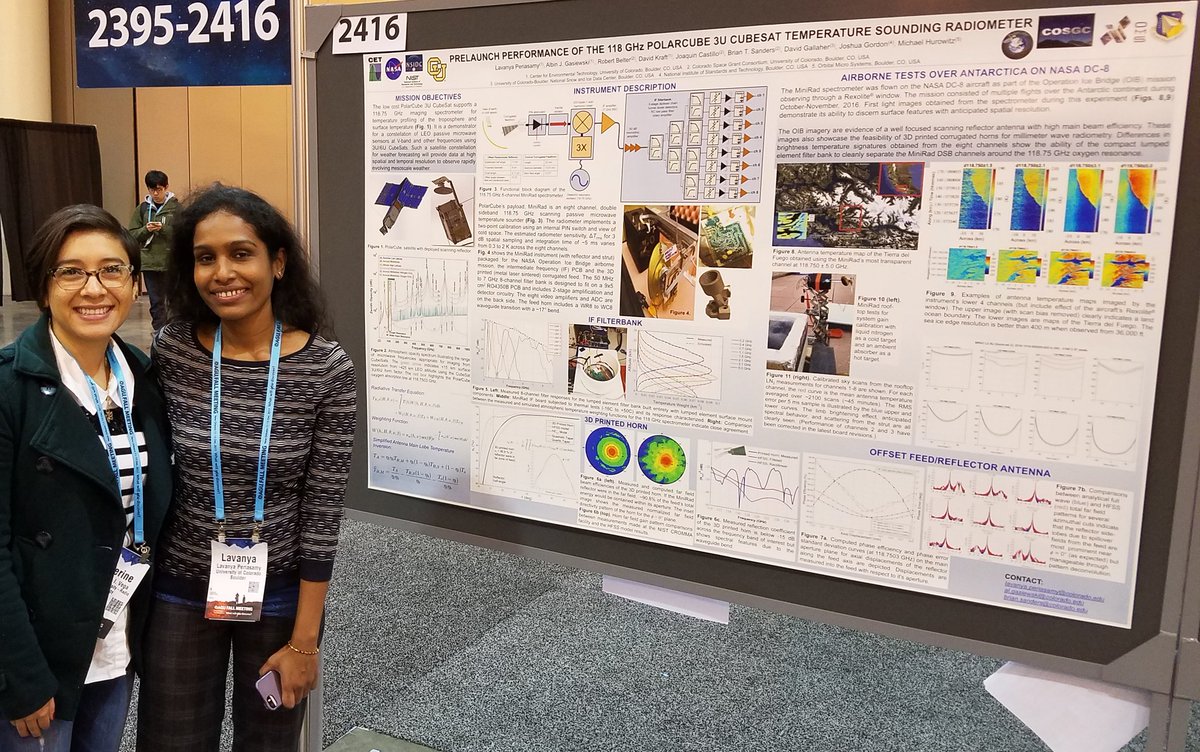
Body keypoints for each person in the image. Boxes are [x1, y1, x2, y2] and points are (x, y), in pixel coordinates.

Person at [137, 184, 356, 752]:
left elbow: (323, 510)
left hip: (281, 594)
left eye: (241, 253)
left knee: (268, 740)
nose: (222, 272)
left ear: (277, 262)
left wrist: (306, 641)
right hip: (182, 588)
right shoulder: (173, 351)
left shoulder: (326, 369)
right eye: (205, 258)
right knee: (171, 739)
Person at [0, 205, 172, 751]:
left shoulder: (144, 381)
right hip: (39, 654)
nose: (93, 288)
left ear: (136, 282)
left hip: (114, 644)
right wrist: (20, 675)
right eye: (71, 271)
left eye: (112, 269)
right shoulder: (10, 388)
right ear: (42, 284)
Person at [127, 170, 179, 331]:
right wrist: (146, 229)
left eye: (159, 189)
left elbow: (183, 232)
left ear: (166, 187)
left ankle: (175, 330)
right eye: (152, 190)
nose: (156, 193)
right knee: (156, 300)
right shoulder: (142, 209)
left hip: (171, 261)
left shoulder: (176, 207)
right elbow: (132, 234)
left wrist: (163, 229)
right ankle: (159, 331)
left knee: (174, 298)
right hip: (149, 262)